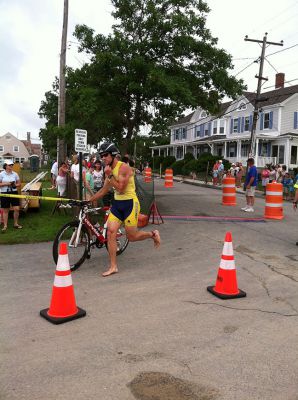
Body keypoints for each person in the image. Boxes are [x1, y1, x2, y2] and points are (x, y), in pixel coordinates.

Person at [90, 142, 161, 277]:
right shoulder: (108, 170)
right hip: (117, 204)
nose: (103, 158)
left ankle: (153, 234)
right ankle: (113, 266)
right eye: (101, 155)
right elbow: (104, 190)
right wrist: (89, 200)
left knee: (132, 236)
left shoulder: (124, 168)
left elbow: (121, 188)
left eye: (105, 155)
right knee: (110, 233)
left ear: (113, 155)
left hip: (130, 204)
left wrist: (110, 176)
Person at [0, 160, 22, 231]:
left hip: (14, 192)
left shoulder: (15, 174)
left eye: (12, 165)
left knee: (17, 209)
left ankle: (15, 224)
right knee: (6, 210)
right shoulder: (1, 174)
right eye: (10, 165)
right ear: (5, 166)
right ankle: (5, 226)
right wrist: (7, 184)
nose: (11, 166)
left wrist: (14, 185)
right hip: (4, 193)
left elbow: (19, 184)